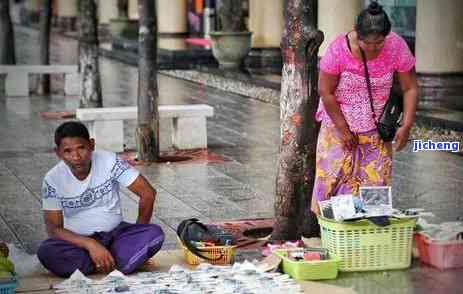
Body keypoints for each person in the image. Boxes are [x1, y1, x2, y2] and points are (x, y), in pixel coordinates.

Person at [311, 2, 419, 214]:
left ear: (386, 36)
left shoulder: (396, 46)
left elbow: (410, 88)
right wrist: (343, 129)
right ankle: (334, 234)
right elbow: (326, 92)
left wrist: (406, 125)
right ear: (355, 31)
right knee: (332, 180)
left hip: (376, 129)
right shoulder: (337, 51)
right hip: (337, 126)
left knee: (375, 187)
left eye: (378, 43)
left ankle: (370, 233)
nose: (371, 48)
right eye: (365, 42)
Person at [37, 121, 164, 277]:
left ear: (91, 145)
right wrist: (91, 245)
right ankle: (116, 261)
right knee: (46, 251)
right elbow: (54, 229)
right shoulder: (52, 179)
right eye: (68, 151)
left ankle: (101, 262)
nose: (76, 157)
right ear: (58, 153)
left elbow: (148, 193)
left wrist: (139, 229)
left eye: (81, 148)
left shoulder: (110, 161)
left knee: (154, 233)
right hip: (79, 244)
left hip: (116, 236)